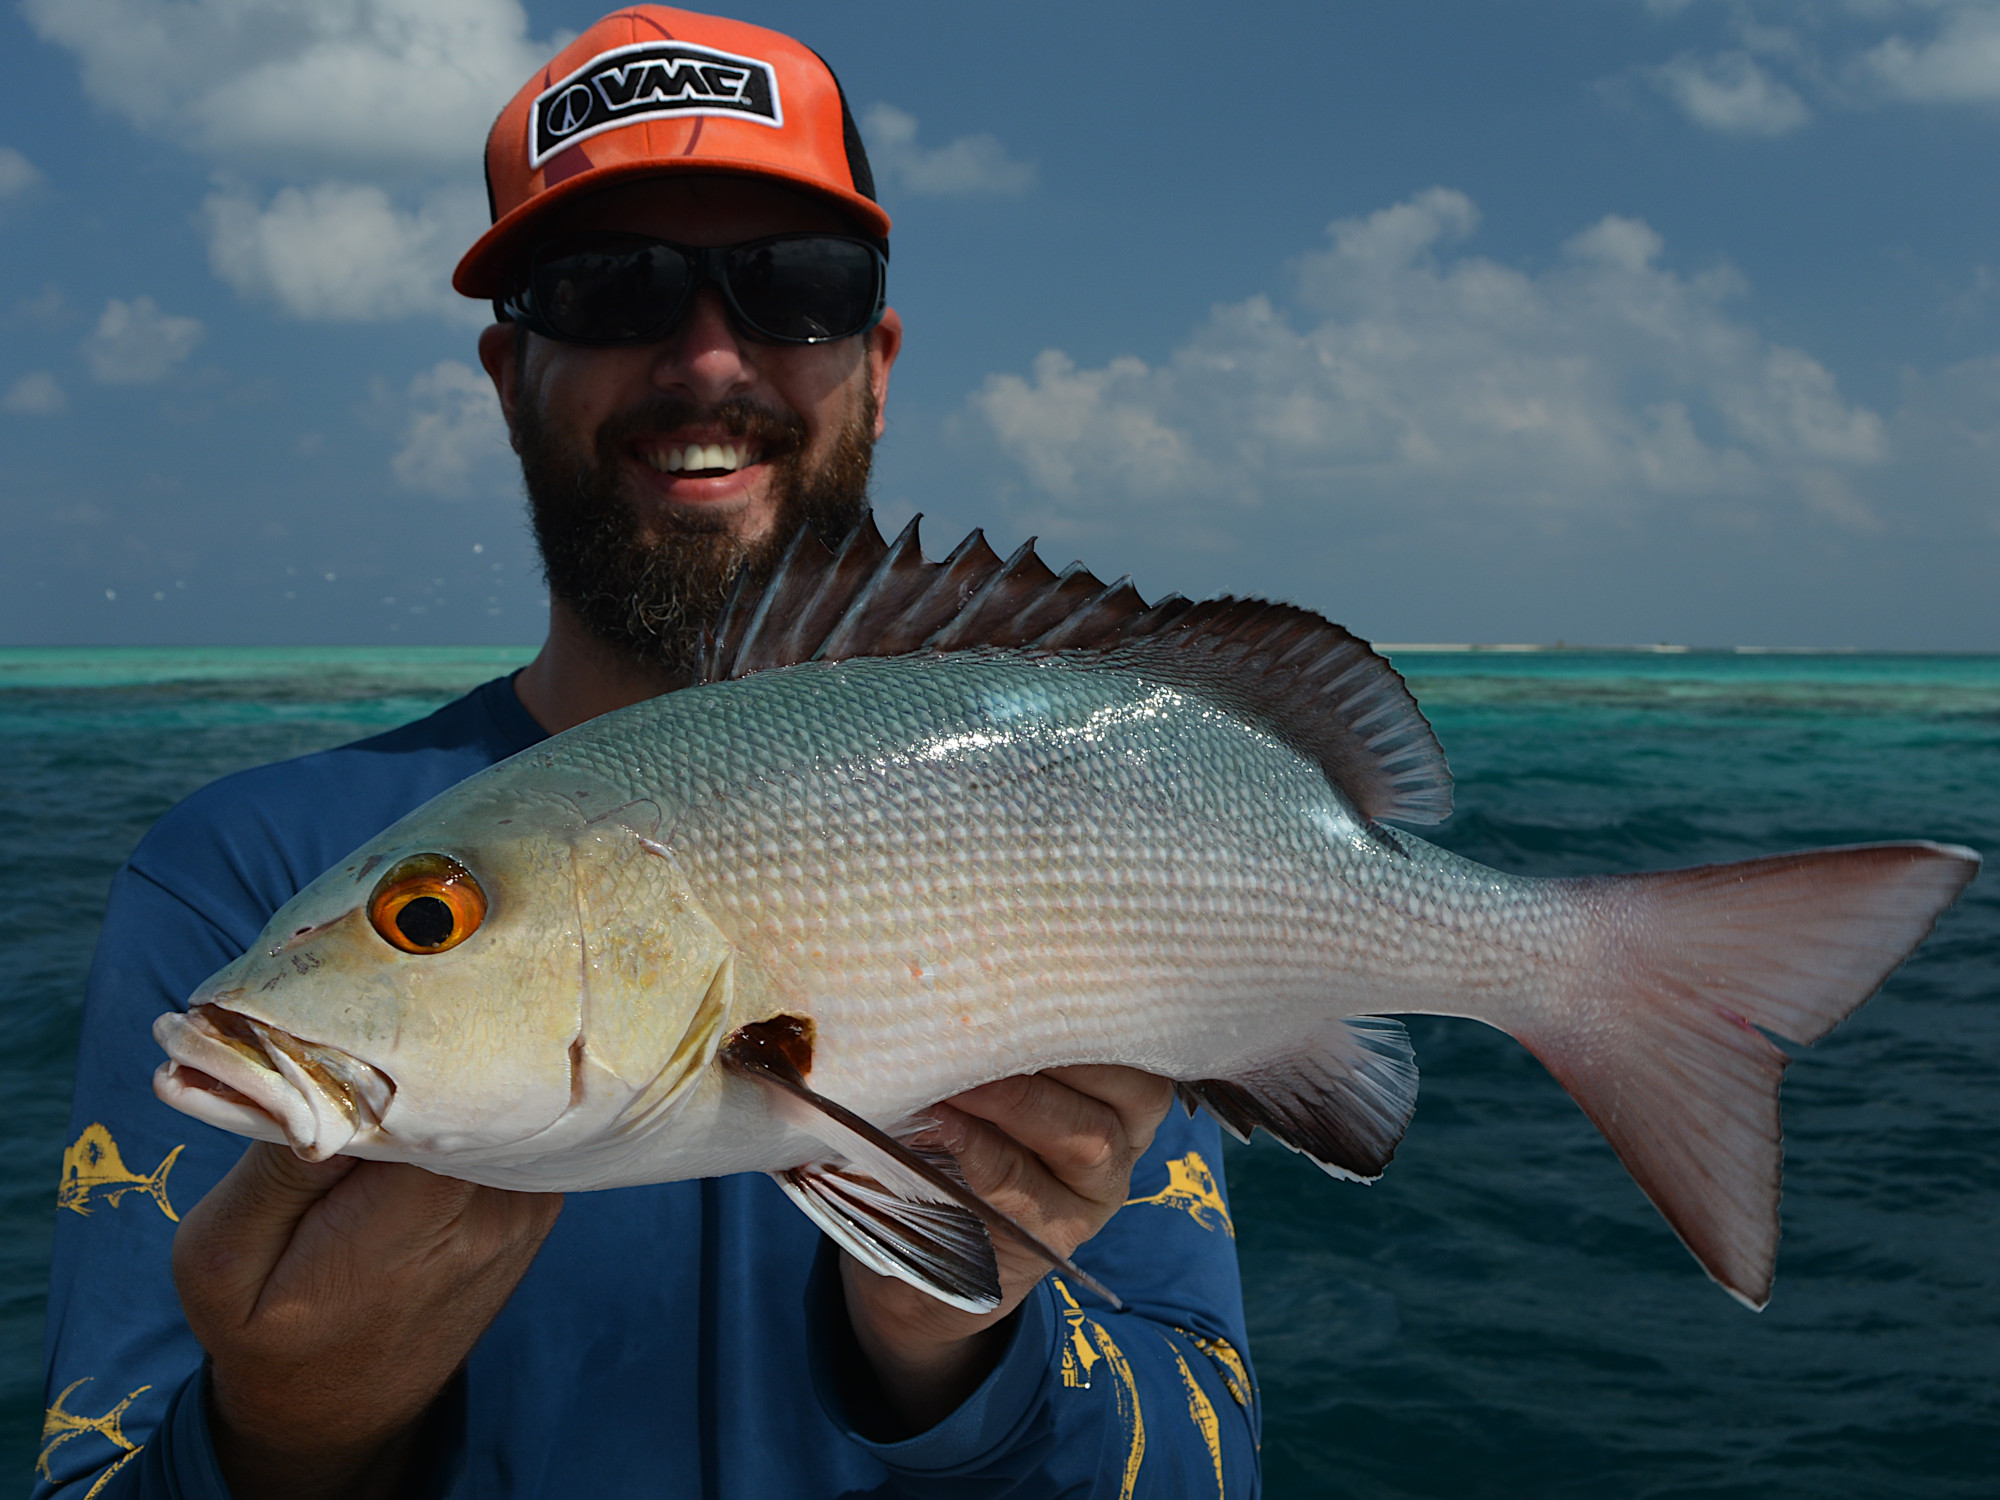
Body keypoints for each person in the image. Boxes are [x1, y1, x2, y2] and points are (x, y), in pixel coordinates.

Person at [37, 9, 1259, 1497]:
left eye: (795, 288)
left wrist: (952, 1340)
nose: (706, 356)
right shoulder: (237, 879)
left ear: (874, 360)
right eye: (607, 289)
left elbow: (1210, 1464)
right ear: (507, 373)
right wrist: (295, 1426)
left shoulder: (1061, 813)